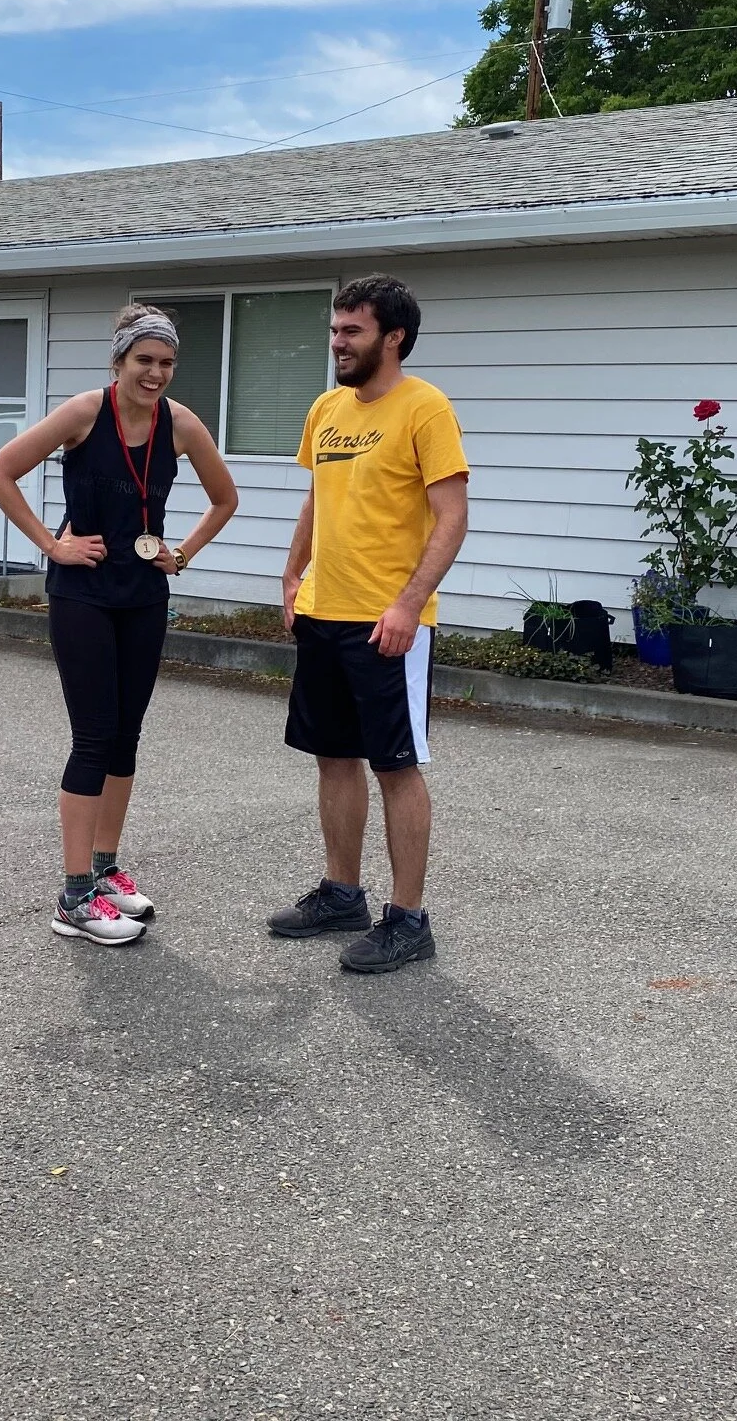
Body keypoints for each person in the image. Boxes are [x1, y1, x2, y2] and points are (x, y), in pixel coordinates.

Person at [0, 304, 238, 946]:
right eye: (143, 361)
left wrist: (186, 552)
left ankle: (104, 870)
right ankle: (72, 898)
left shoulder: (181, 424)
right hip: (85, 595)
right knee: (94, 738)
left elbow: (225, 497)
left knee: (125, 737)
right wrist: (53, 544)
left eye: (166, 363)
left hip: (144, 594)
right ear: (118, 362)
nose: (155, 374)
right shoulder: (83, 413)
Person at [267, 275, 470, 975]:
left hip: (389, 623)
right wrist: (294, 575)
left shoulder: (425, 409)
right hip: (325, 612)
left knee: (396, 765)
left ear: (394, 337)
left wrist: (410, 604)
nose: (337, 343)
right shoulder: (326, 409)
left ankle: (409, 919)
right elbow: (317, 501)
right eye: (334, 330)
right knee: (333, 755)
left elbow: (452, 517)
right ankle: (342, 893)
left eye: (351, 331)